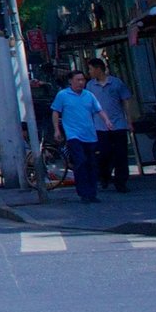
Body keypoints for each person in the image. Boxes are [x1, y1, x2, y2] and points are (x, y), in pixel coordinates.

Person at [49, 69, 111, 204]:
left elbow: (99, 110)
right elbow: (56, 112)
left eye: (83, 80)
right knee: (80, 161)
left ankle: (92, 193)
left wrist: (107, 121)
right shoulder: (63, 95)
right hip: (73, 135)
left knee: (92, 164)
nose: (81, 82)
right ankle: (83, 192)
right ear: (71, 81)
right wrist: (56, 130)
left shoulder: (89, 95)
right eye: (78, 80)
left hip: (90, 135)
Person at [85, 58, 134, 194]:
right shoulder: (90, 86)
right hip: (100, 126)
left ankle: (121, 182)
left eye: (90, 69)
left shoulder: (116, 83)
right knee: (104, 153)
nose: (89, 72)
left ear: (98, 69)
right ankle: (104, 176)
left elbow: (126, 101)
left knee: (121, 154)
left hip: (118, 124)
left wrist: (129, 121)